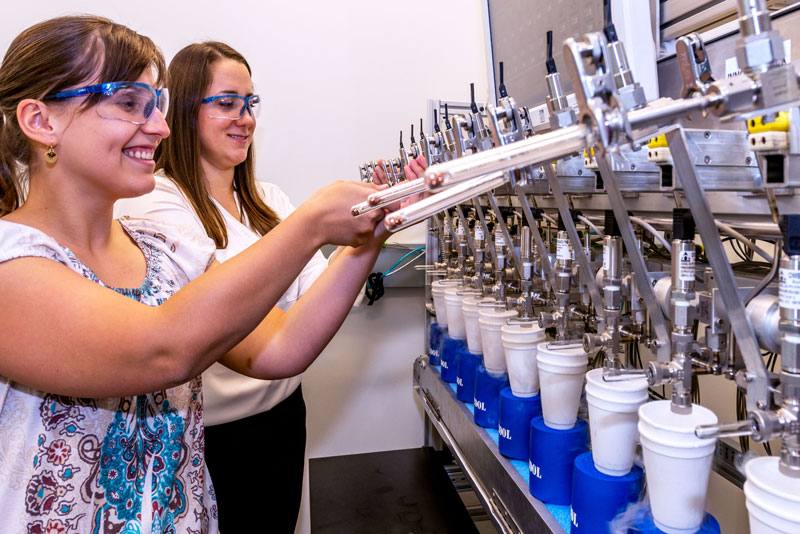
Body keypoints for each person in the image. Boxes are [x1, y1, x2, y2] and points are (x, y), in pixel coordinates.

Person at [0, 15, 395, 534]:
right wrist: (311, 224)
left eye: (157, 105)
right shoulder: (12, 259)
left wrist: (371, 235)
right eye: (129, 103)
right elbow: (162, 350)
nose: (161, 128)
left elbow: (279, 348)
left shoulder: (166, 252)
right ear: (40, 120)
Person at [114, 41, 428, 532]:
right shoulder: (156, 205)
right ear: (185, 109)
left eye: (250, 103)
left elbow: (317, 304)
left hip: (283, 418)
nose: (244, 118)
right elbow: (269, 338)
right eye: (226, 102)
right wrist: (318, 224)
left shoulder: (268, 201)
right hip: (214, 441)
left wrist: (377, 224)